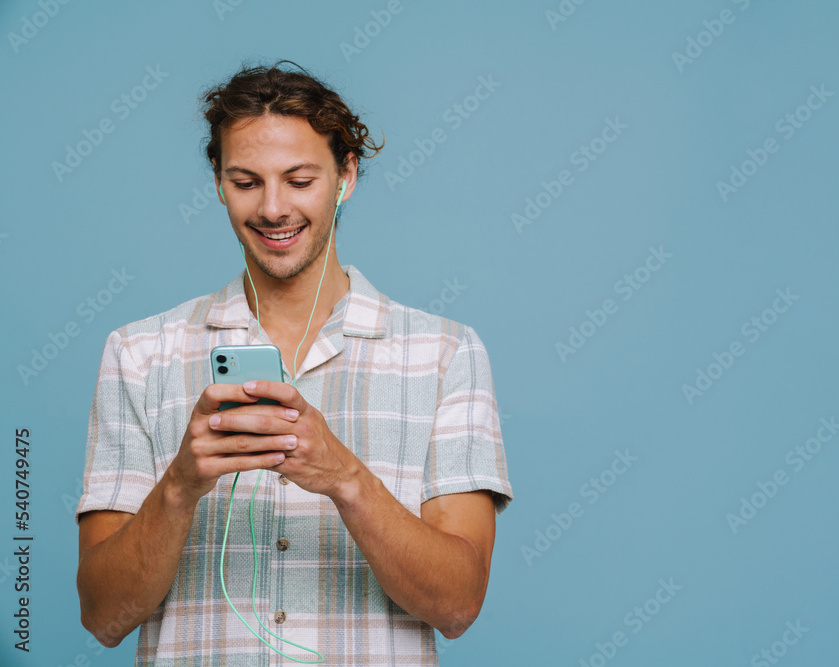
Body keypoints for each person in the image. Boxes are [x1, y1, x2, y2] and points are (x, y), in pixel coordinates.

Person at [75, 59, 513, 666]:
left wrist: (344, 478)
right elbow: (102, 616)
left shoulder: (444, 354)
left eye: (300, 180)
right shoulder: (140, 354)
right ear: (218, 182)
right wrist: (179, 488)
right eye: (246, 181)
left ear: (347, 175)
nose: (273, 208)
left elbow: (459, 605)